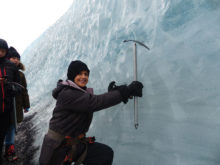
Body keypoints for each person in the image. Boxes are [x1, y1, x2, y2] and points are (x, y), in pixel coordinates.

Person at [39, 60, 144, 165]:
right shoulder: (67, 94)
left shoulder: (78, 93)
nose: (83, 77)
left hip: (74, 145)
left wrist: (114, 94)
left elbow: (91, 101)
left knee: (105, 155)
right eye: (79, 74)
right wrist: (124, 92)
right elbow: (94, 102)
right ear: (72, 75)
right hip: (56, 150)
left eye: (86, 74)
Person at [3, 47, 30, 162]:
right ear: (7, 58)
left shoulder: (20, 75)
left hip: (16, 106)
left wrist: (26, 104)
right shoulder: (3, 72)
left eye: (17, 58)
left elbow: (24, 90)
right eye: (13, 58)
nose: (16, 60)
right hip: (5, 106)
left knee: (11, 127)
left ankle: (10, 148)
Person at [0, 39, 20, 164]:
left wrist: (12, 88)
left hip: (6, 109)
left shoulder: (11, 66)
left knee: (2, 136)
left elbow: (18, 85)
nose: (0, 53)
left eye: (2, 51)